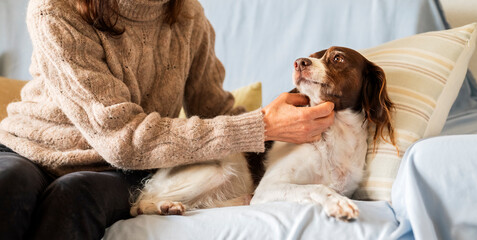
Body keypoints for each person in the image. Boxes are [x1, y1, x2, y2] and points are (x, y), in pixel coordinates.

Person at [0, 0, 335, 239]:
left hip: (125, 169)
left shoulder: (188, 15)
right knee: (7, 184)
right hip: (29, 149)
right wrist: (262, 124)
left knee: (75, 195)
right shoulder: (54, 8)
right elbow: (122, 137)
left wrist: (288, 131)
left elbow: (215, 110)